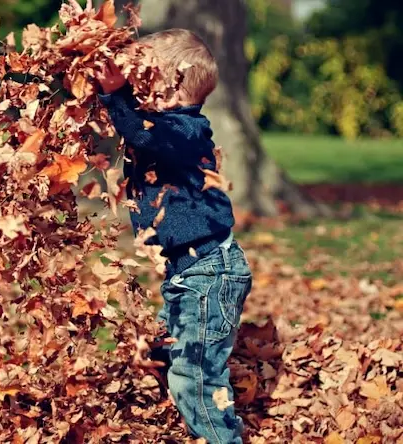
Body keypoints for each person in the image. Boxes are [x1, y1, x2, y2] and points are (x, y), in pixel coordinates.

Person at [94, 29, 253, 444]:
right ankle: (172, 422)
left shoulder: (185, 130)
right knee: (162, 350)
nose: (134, 89)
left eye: (143, 80)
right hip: (189, 275)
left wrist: (115, 97)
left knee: (195, 377)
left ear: (172, 86)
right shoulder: (166, 128)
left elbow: (144, 134)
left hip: (208, 275)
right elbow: (140, 130)